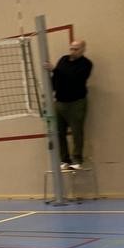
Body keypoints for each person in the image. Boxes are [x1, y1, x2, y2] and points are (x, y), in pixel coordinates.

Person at [46, 39, 93, 170]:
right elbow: (56, 78)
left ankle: (77, 159)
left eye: (76, 49)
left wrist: (55, 70)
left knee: (77, 131)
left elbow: (74, 79)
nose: (72, 51)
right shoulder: (63, 60)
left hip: (76, 102)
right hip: (60, 102)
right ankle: (64, 159)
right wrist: (51, 91)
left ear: (83, 50)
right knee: (58, 131)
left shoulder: (86, 64)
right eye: (71, 48)